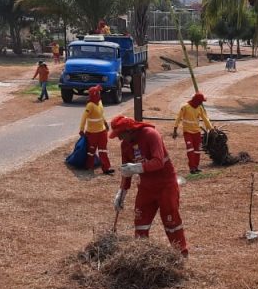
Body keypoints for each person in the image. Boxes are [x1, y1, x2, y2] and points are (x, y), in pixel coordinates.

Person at [110, 115, 188, 257]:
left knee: (171, 222)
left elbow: (158, 162)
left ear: (129, 130)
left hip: (166, 184)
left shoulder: (151, 135)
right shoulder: (125, 145)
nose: (120, 139)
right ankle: (141, 256)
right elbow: (126, 171)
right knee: (140, 222)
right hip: (146, 187)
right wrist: (121, 193)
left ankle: (181, 255)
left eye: (121, 134)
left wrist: (137, 167)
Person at [172, 92, 214, 174]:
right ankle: (192, 168)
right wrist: (175, 130)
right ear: (197, 101)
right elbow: (178, 118)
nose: (202, 103)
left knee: (197, 151)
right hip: (187, 132)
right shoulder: (185, 107)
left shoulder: (200, 108)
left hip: (197, 133)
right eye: (201, 101)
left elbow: (205, 119)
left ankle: (196, 167)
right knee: (190, 150)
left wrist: (211, 129)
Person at [79, 86, 114, 173]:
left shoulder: (100, 103)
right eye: (98, 93)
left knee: (103, 150)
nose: (100, 94)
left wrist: (105, 123)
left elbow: (101, 115)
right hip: (92, 133)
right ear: (95, 94)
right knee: (91, 150)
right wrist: (81, 129)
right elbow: (84, 117)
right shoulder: (90, 105)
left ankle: (106, 168)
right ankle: (89, 166)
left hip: (102, 131)